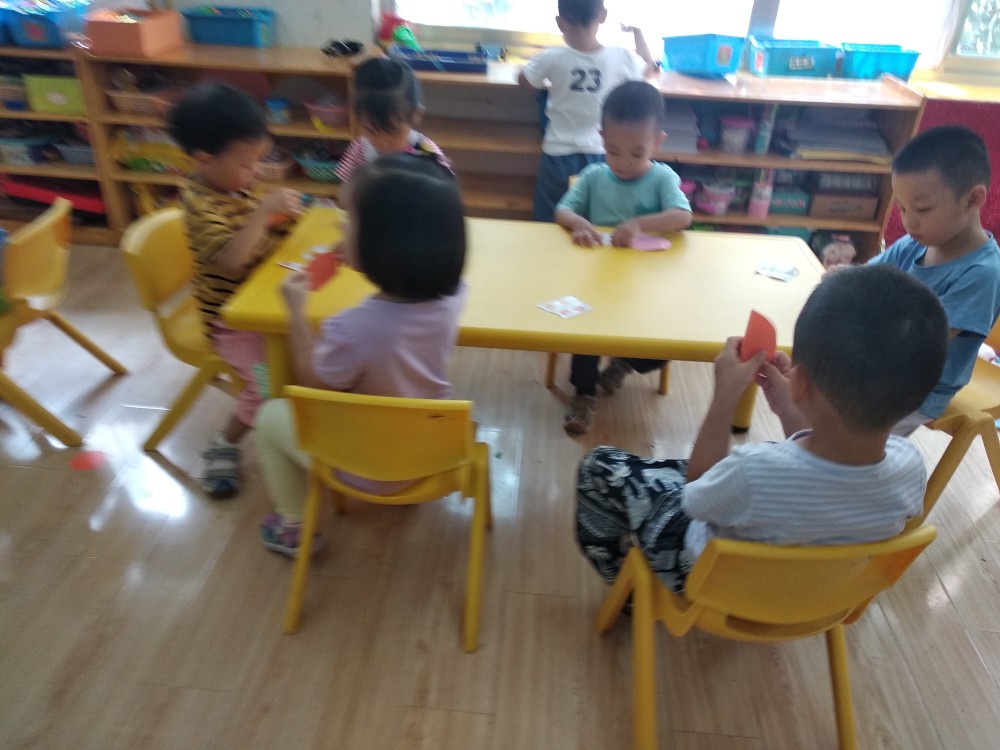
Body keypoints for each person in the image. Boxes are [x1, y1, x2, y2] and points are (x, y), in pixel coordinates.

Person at [576, 264, 949, 594]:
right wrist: (790, 405)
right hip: (813, 593)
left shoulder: (752, 471)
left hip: (707, 582)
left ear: (801, 382)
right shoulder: (911, 468)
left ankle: (622, 580)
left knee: (599, 466)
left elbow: (695, 497)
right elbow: (824, 471)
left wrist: (724, 398)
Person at [256, 153, 468, 556]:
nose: (340, 226)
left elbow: (313, 384)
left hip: (364, 468)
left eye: (349, 220)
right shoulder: (455, 294)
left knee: (269, 417)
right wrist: (360, 251)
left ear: (380, 244)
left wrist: (297, 313)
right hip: (431, 454)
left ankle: (293, 526)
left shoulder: (352, 328)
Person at [167, 82, 304, 499]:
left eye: (259, 160)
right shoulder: (201, 205)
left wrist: (288, 221)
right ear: (203, 159)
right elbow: (231, 259)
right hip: (232, 325)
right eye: (248, 163)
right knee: (267, 384)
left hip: (262, 303)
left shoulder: (229, 183)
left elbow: (257, 235)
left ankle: (307, 419)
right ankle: (224, 443)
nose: (256, 173)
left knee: (321, 344)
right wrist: (264, 211)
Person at [554, 80, 692, 434]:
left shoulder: (662, 178)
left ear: (658, 142)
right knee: (586, 336)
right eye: (613, 151)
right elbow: (563, 211)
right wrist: (580, 223)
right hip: (596, 282)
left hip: (646, 289)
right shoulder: (593, 176)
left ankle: (623, 364)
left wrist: (640, 223)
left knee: (666, 342)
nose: (623, 163)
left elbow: (682, 216)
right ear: (601, 137)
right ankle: (584, 393)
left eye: (636, 153)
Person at [866, 125, 1000, 435]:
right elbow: (866, 279)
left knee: (844, 429)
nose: (908, 221)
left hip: (921, 389)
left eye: (922, 209)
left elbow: (922, 340)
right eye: (901, 208)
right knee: (812, 391)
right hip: (883, 363)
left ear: (972, 199)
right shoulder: (916, 242)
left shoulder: (983, 273)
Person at [519, 0, 655, 222]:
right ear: (602, 15)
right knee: (596, 215)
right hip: (600, 153)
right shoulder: (621, 56)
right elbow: (648, 69)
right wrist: (637, 32)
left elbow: (524, 80)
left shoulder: (552, 57)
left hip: (558, 154)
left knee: (550, 216)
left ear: (560, 23)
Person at [334, 57, 452, 183]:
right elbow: (347, 185)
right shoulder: (360, 149)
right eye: (371, 132)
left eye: (393, 132)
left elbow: (445, 187)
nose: (381, 142)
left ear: (416, 114)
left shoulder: (426, 152)